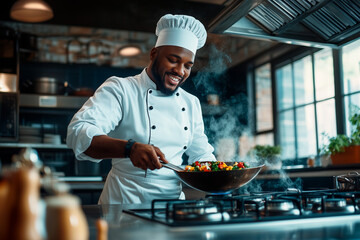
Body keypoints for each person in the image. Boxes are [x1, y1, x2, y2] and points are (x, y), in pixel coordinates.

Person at [66, 14, 216, 204]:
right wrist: (129, 148)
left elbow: (202, 154)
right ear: (153, 54)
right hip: (124, 204)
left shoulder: (191, 102)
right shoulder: (121, 89)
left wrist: (218, 181)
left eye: (187, 65)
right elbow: (78, 132)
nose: (180, 71)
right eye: (173, 60)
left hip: (172, 206)